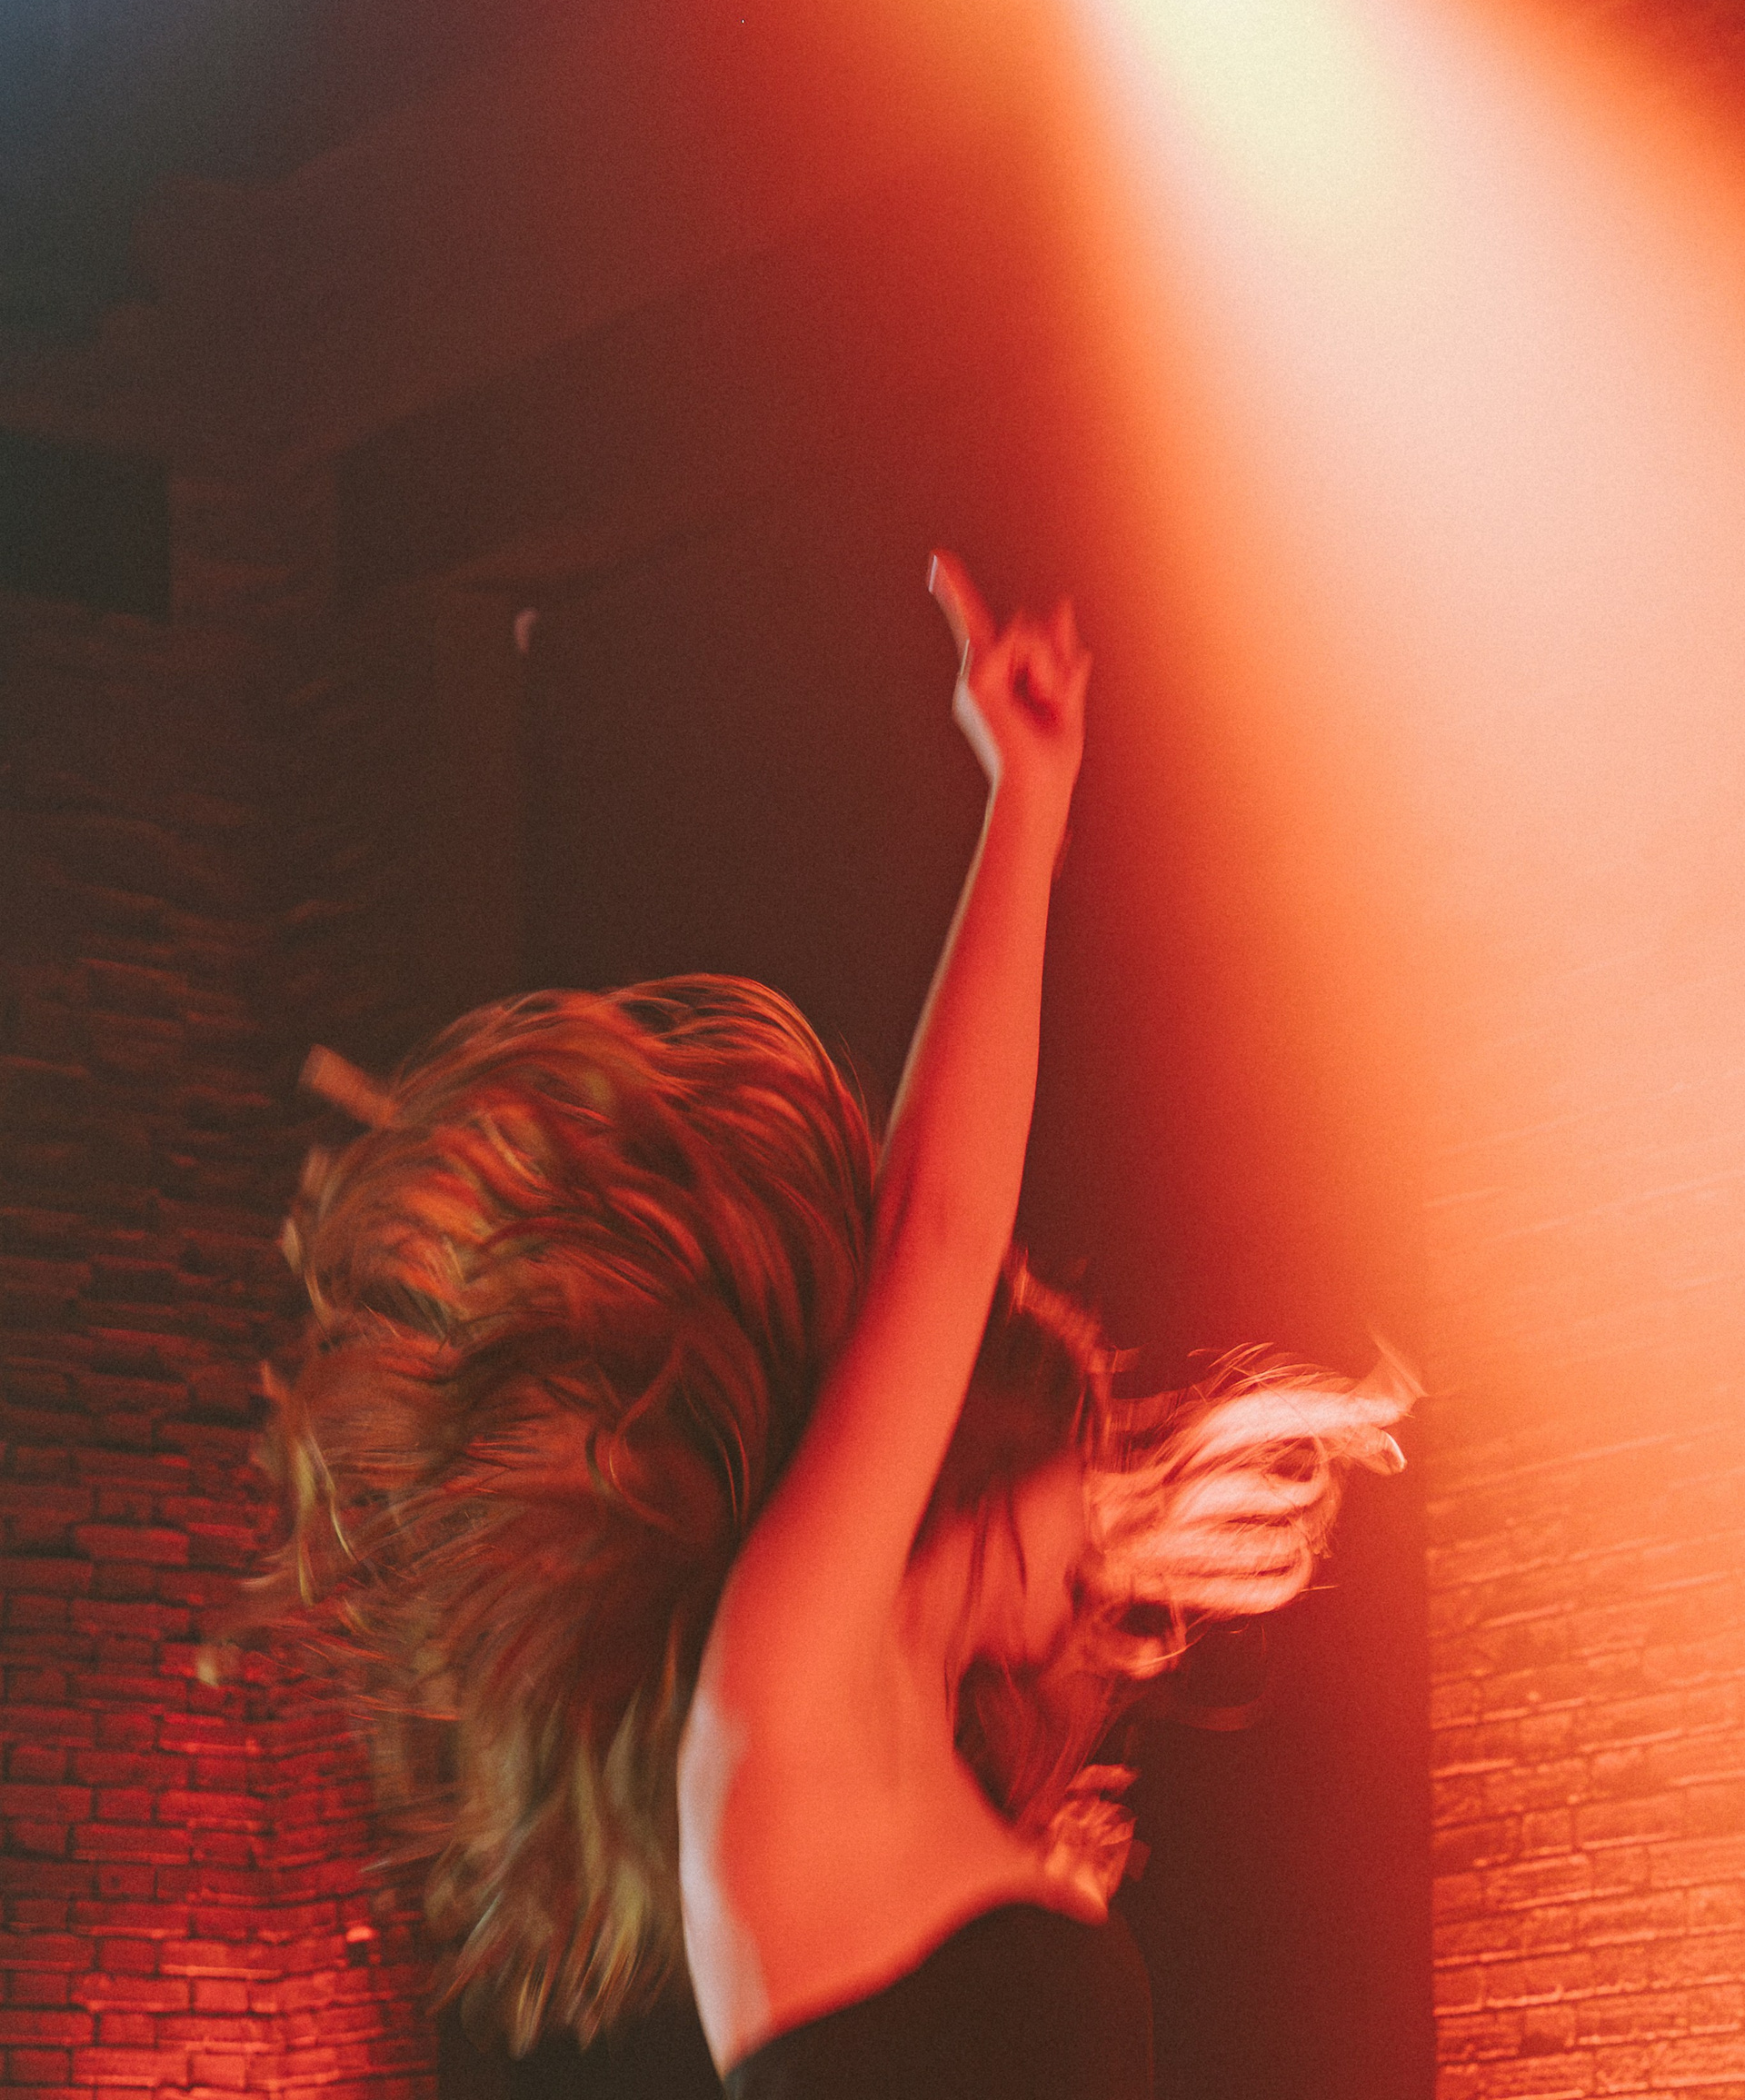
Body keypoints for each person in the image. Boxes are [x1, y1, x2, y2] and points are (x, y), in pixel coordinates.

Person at [247, 555, 1413, 2097]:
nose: (1095, 1540)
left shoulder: (915, 1775)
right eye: (1078, 1474)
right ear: (968, 1449)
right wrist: (1028, 804)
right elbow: (940, 1223)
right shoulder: (784, 1675)